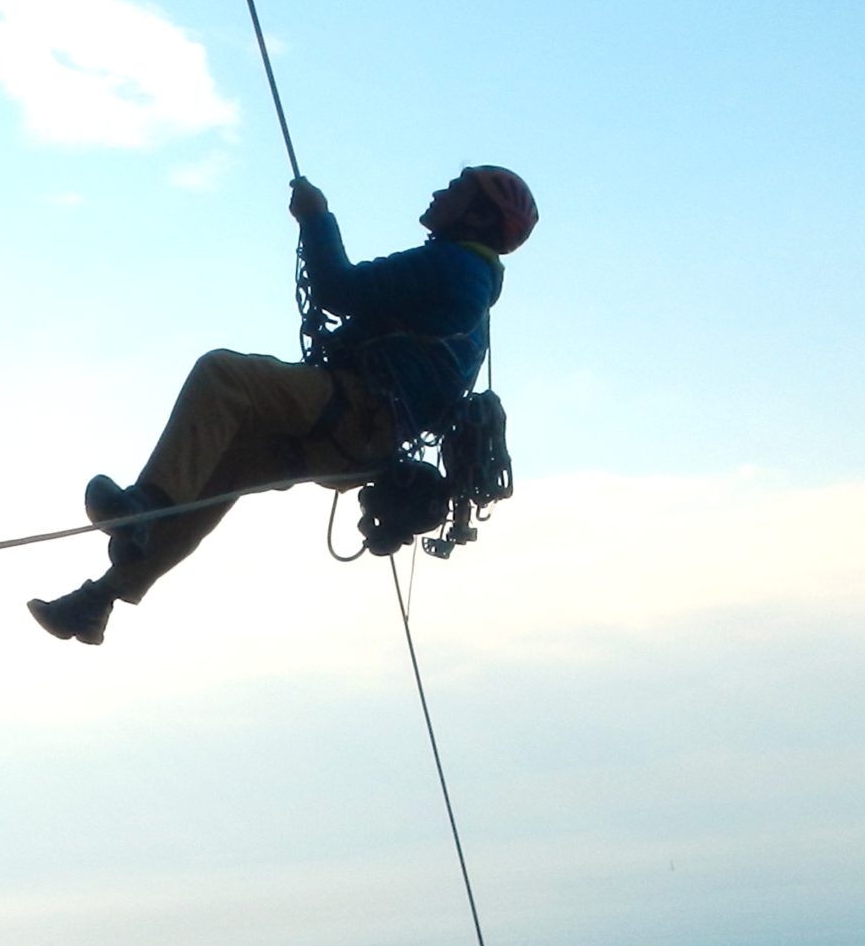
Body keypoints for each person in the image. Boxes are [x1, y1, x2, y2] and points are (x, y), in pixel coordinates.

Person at [28, 165, 539, 645]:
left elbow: (339, 288)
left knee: (224, 375)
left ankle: (143, 507)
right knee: (223, 473)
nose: (439, 194)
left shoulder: (455, 266)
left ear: (477, 216)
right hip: (359, 446)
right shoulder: (470, 283)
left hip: (355, 412)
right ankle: (99, 600)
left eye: (456, 190)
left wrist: (316, 217)